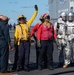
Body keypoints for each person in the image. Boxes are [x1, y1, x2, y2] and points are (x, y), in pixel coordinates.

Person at [14, 5, 38, 72]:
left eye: (22, 18)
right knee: (20, 55)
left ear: (24, 19)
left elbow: (33, 17)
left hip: (27, 42)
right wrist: (15, 43)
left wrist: (36, 11)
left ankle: (26, 66)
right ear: (18, 20)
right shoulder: (17, 27)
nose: (21, 20)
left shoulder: (27, 24)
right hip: (20, 42)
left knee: (27, 55)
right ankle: (19, 66)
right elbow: (16, 35)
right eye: (20, 19)